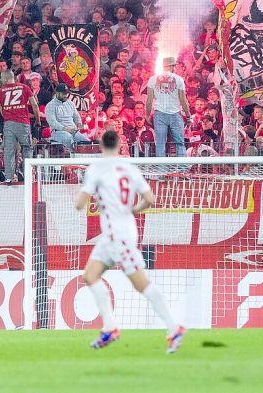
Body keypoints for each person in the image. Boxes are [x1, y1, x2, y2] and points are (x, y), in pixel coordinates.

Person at [75, 130, 185, 353]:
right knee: (90, 275)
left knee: (140, 283)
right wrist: (132, 210)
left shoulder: (96, 169)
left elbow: (79, 204)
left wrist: (88, 196)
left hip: (119, 236)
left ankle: (174, 327)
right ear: (120, 145)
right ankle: (110, 327)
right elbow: (150, 199)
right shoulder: (130, 168)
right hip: (115, 234)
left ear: (100, 145)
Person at [0, 70, 40, 183]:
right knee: (27, 149)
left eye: (1, 77)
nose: (0, 80)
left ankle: (9, 177)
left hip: (9, 125)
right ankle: (28, 177)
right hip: (23, 124)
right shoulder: (25, 88)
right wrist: (38, 120)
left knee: (9, 151)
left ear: (6, 79)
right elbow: (34, 104)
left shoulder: (0, 92)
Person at [146, 56, 191, 157]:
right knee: (180, 143)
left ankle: (161, 170)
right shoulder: (179, 79)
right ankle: (182, 169)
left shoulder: (153, 79)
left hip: (159, 114)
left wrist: (147, 115)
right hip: (175, 114)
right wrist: (188, 116)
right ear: (172, 66)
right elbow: (183, 100)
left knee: (160, 143)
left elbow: (149, 101)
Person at [45, 84, 89, 152]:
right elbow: (52, 122)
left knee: (86, 142)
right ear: (57, 93)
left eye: (67, 93)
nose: (66, 95)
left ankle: (82, 158)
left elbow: (76, 116)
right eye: (64, 93)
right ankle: (73, 155)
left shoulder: (70, 103)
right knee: (68, 138)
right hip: (57, 132)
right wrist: (65, 129)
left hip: (73, 131)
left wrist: (79, 124)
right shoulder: (50, 106)